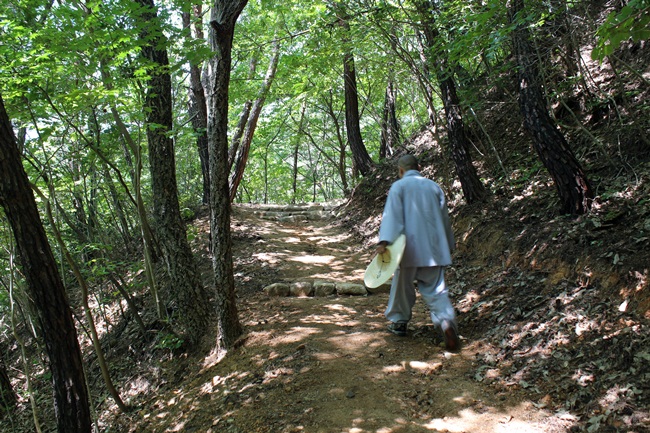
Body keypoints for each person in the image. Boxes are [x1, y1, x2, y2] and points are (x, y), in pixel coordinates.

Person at [376, 154, 460, 351]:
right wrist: (448, 244)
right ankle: (446, 322)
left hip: (407, 250)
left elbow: (392, 216)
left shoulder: (399, 187)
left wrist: (384, 241)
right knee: (436, 289)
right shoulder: (434, 187)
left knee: (401, 287)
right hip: (434, 249)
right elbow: (444, 219)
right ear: (419, 167)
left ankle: (398, 322)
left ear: (401, 170)